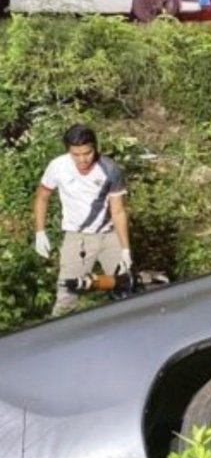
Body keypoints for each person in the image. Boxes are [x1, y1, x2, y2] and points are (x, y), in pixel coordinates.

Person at [33, 124, 132, 317]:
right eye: (76, 155)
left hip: (109, 235)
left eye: (87, 153)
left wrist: (125, 249)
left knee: (125, 288)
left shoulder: (109, 169)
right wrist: (40, 231)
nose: (82, 159)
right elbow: (42, 197)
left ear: (95, 147)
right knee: (67, 294)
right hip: (77, 237)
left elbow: (118, 211)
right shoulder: (58, 167)